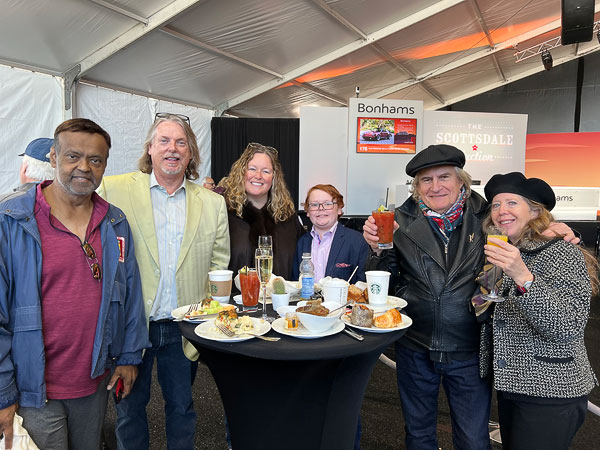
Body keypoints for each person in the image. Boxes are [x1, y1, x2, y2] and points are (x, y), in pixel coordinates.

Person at [362, 144, 579, 450]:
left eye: (444, 177)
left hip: (471, 346)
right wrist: (377, 250)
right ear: (416, 187)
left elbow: (529, 231)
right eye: (426, 180)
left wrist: (558, 228)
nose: (435, 187)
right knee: (418, 434)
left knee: (473, 439)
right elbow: (384, 282)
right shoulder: (398, 220)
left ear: (461, 181)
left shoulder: (491, 216)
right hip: (416, 344)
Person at [0, 118, 149, 450]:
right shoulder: (11, 221)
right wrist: (3, 393)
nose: (84, 167)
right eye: (73, 156)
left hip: (94, 383)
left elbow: (130, 293)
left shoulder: (114, 222)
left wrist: (129, 356)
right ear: (53, 157)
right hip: (33, 389)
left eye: (95, 160)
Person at [97, 113, 230, 450]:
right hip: (131, 326)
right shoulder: (114, 189)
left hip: (183, 327)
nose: (173, 148)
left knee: (182, 408)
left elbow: (218, 266)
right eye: (164, 141)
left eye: (181, 142)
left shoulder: (213, 204)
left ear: (191, 152)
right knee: (129, 409)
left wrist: (208, 318)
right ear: (150, 148)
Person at [479, 172, 598, 450]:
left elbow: (567, 325)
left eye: (512, 203)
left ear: (535, 211)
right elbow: (484, 305)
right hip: (512, 386)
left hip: (551, 390)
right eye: (496, 205)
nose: (502, 211)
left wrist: (523, 276)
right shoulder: (502, 249)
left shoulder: (562, 252)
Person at [218, 142, 304, 280]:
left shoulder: (287, 217)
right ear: (241, 172)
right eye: (252, 169)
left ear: (274, 177)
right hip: (235, 294)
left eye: (266, 171)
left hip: (280, 294)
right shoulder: (223, 213)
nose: (258, 176)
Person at [293, 184, 368, 284]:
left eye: (328, 204)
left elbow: (363, 284)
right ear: (307, 211)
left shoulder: (357, 241)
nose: (321, 208)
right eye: (314, 205)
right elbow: (295, 282)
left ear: (339, 209)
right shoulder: (301, 242)